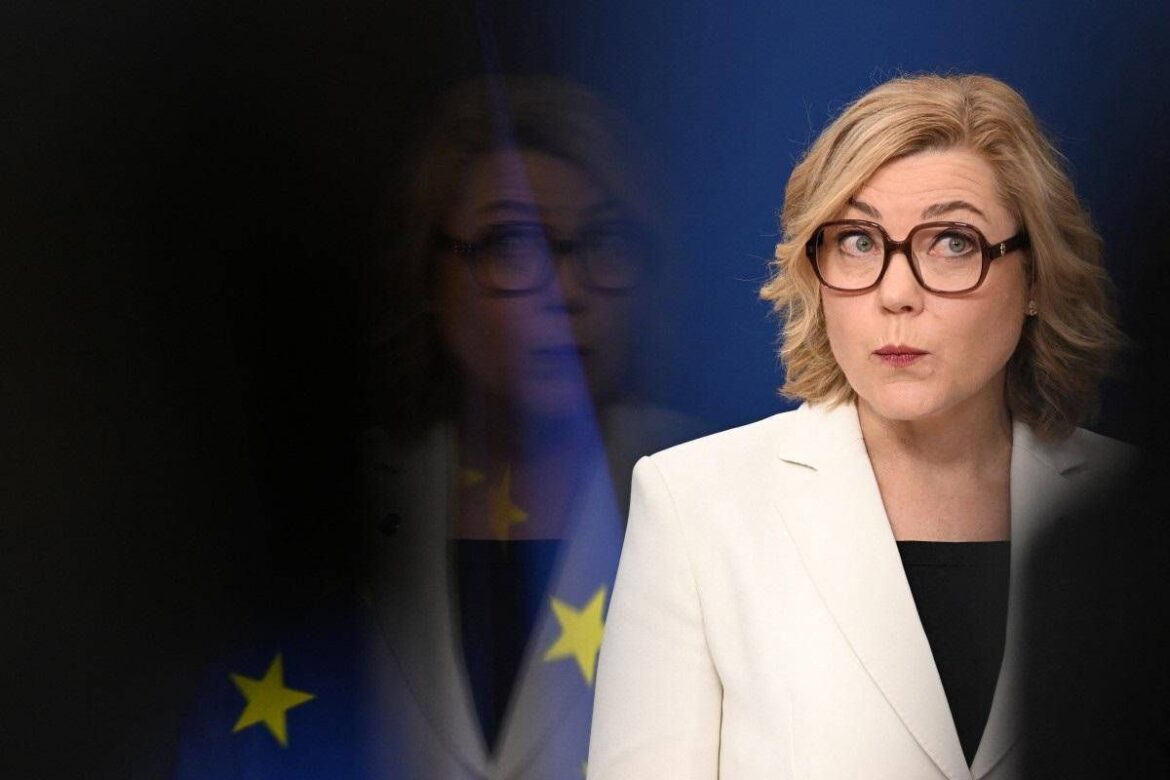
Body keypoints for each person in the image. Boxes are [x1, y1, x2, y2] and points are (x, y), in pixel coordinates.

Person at [587, 73, 1132, 780]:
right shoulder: (696, 503)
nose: (896, 293)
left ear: (1035, 277)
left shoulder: (1133, 505)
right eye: (857, 241)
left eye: (953, 242)